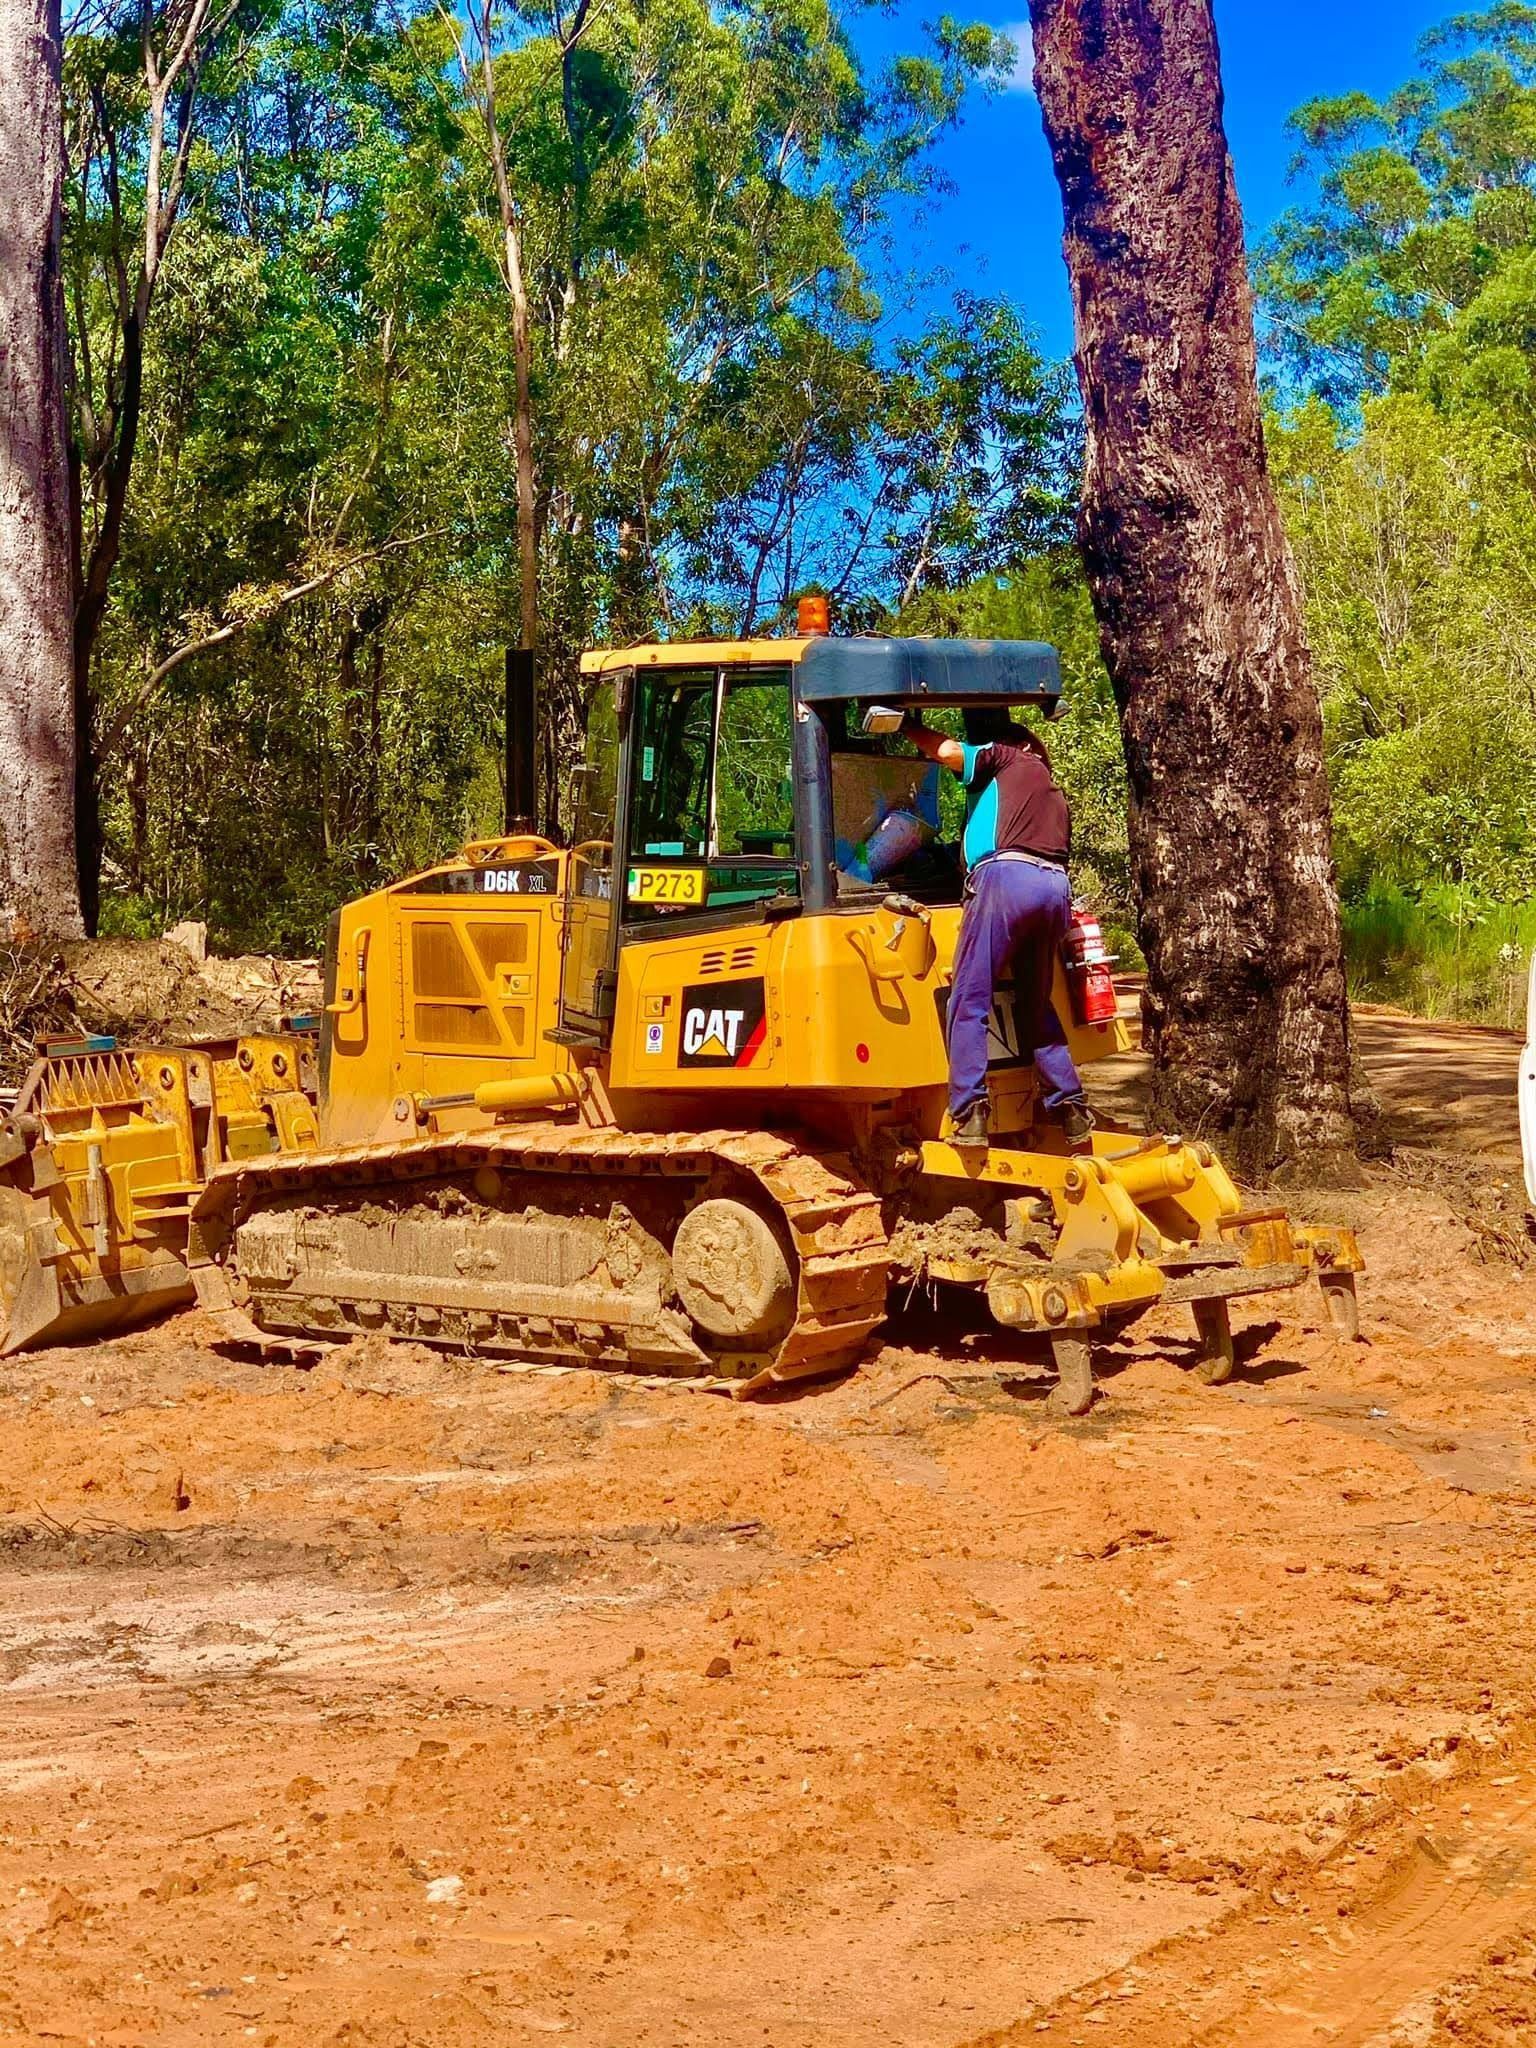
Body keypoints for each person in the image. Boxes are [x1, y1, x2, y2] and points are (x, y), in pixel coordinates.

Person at [901, 705, 1094, 1152]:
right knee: (1034, 1003)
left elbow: (948, 752)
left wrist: (905, 725)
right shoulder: (1051, 790)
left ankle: (969, 1113)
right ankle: (1071, 1108)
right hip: (1055, 888)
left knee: (969, 1000)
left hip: (1006, 880)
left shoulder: (1007, 756)